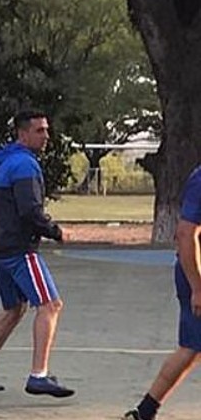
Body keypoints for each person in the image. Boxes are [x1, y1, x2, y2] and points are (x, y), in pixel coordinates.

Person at [0, 110, 75, 398]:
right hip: (18, 249)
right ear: (23, 134)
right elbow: (30, 212)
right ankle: (39, 376)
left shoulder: (1, 164)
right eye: (39, 131)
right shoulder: (25, 166)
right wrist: (55, 231)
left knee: (13, 309)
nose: (46, 136)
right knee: (50, 304)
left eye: (46, 130)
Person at [122, 166, 201, 420]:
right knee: (190, 347)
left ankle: (145, 410)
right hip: (196, 272)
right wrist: (197, 288)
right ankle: (145, 410)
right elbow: (186, 233)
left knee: (192, 349)